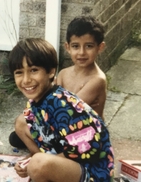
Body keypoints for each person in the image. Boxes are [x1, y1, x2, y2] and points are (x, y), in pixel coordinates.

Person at [9, 38, 114, 181]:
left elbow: (90, 147)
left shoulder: (63, 105)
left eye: (34, 70)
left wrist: (40, 163)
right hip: (68, 161)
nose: (26, 80)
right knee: (22, 124)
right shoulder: (36, 102)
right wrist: (32, 162)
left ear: (51, 72)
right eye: (19, 72)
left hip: (92, 173)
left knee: (38, 164)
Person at [9, 15, 107, 150]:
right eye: (75, 46)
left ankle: (50, 160)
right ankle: (40, 156)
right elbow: (49, 100)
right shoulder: (64, 73)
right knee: (20, 125)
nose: (81, 52)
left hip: (81, 134)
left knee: (24, 129)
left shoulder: (97, 79)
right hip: (60, 125)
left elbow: (69, 110)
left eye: (89, 46)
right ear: (67, 47)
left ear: (100, 47)